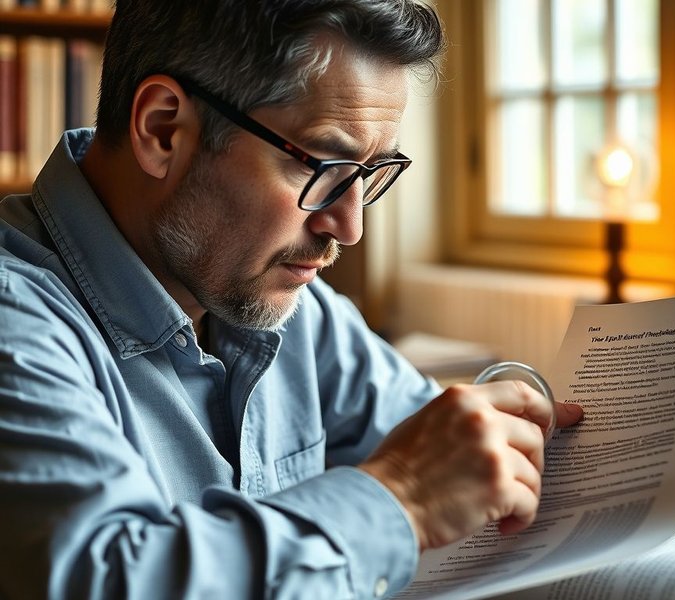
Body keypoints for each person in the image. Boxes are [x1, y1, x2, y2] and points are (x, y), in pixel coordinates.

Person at [0, 0, 583, 597]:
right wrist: (401, 496)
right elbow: (98, 582)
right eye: (324, 167)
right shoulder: (15, 327)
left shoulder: (289, 306)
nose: (349, 227)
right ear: (163, 129)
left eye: (371, 173)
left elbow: (450, 451)